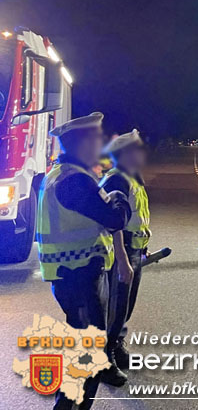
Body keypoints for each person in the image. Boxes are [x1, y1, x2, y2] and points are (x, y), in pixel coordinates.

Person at [36, 112, 131, 410]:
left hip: (74, 276)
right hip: (77, 278)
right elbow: (115, 218)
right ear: (80, 143)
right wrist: (119, 194)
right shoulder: (74, 181)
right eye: (95, 138)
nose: (101, 142)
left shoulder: (67, 174)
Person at [99, 129, 151, 371]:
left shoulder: (133, 178)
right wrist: (121, 259)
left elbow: (137, 218)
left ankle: (116, 347)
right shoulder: (116, 180)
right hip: (123, 251)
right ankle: (106, 357)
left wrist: (143, 250)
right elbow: (113, 222)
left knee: (125, 306)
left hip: (135, 250)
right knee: (116, 308)